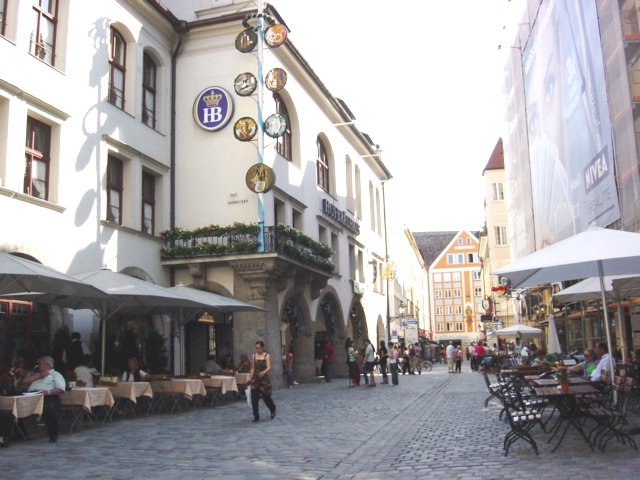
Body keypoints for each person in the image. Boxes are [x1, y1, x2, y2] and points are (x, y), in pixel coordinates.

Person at [21, 356, 65, 442]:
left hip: (47, 396)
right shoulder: (37, 374)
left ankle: (53, 434)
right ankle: (20, 433)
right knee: (16, 407)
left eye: (40, 363)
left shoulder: (56, 374)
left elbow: (60, 388)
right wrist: (39, 375)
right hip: (31, 396)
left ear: (46, 364)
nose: (38, 365)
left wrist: (48, 392)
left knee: (49, 409)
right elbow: (25, 381)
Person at [248, 341, 276, 422]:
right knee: (254, 397)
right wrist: (250, 378)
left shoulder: (266, 355)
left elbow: (269, 367)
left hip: (264, 379)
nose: (258, 350)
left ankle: (272, 408)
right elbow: (253, 368)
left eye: (259, 348)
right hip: (255, 378)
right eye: (256, 348)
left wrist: (264, 372)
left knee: (266, 397)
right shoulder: (254, 356)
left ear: (262, 347)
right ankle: (256, 416)